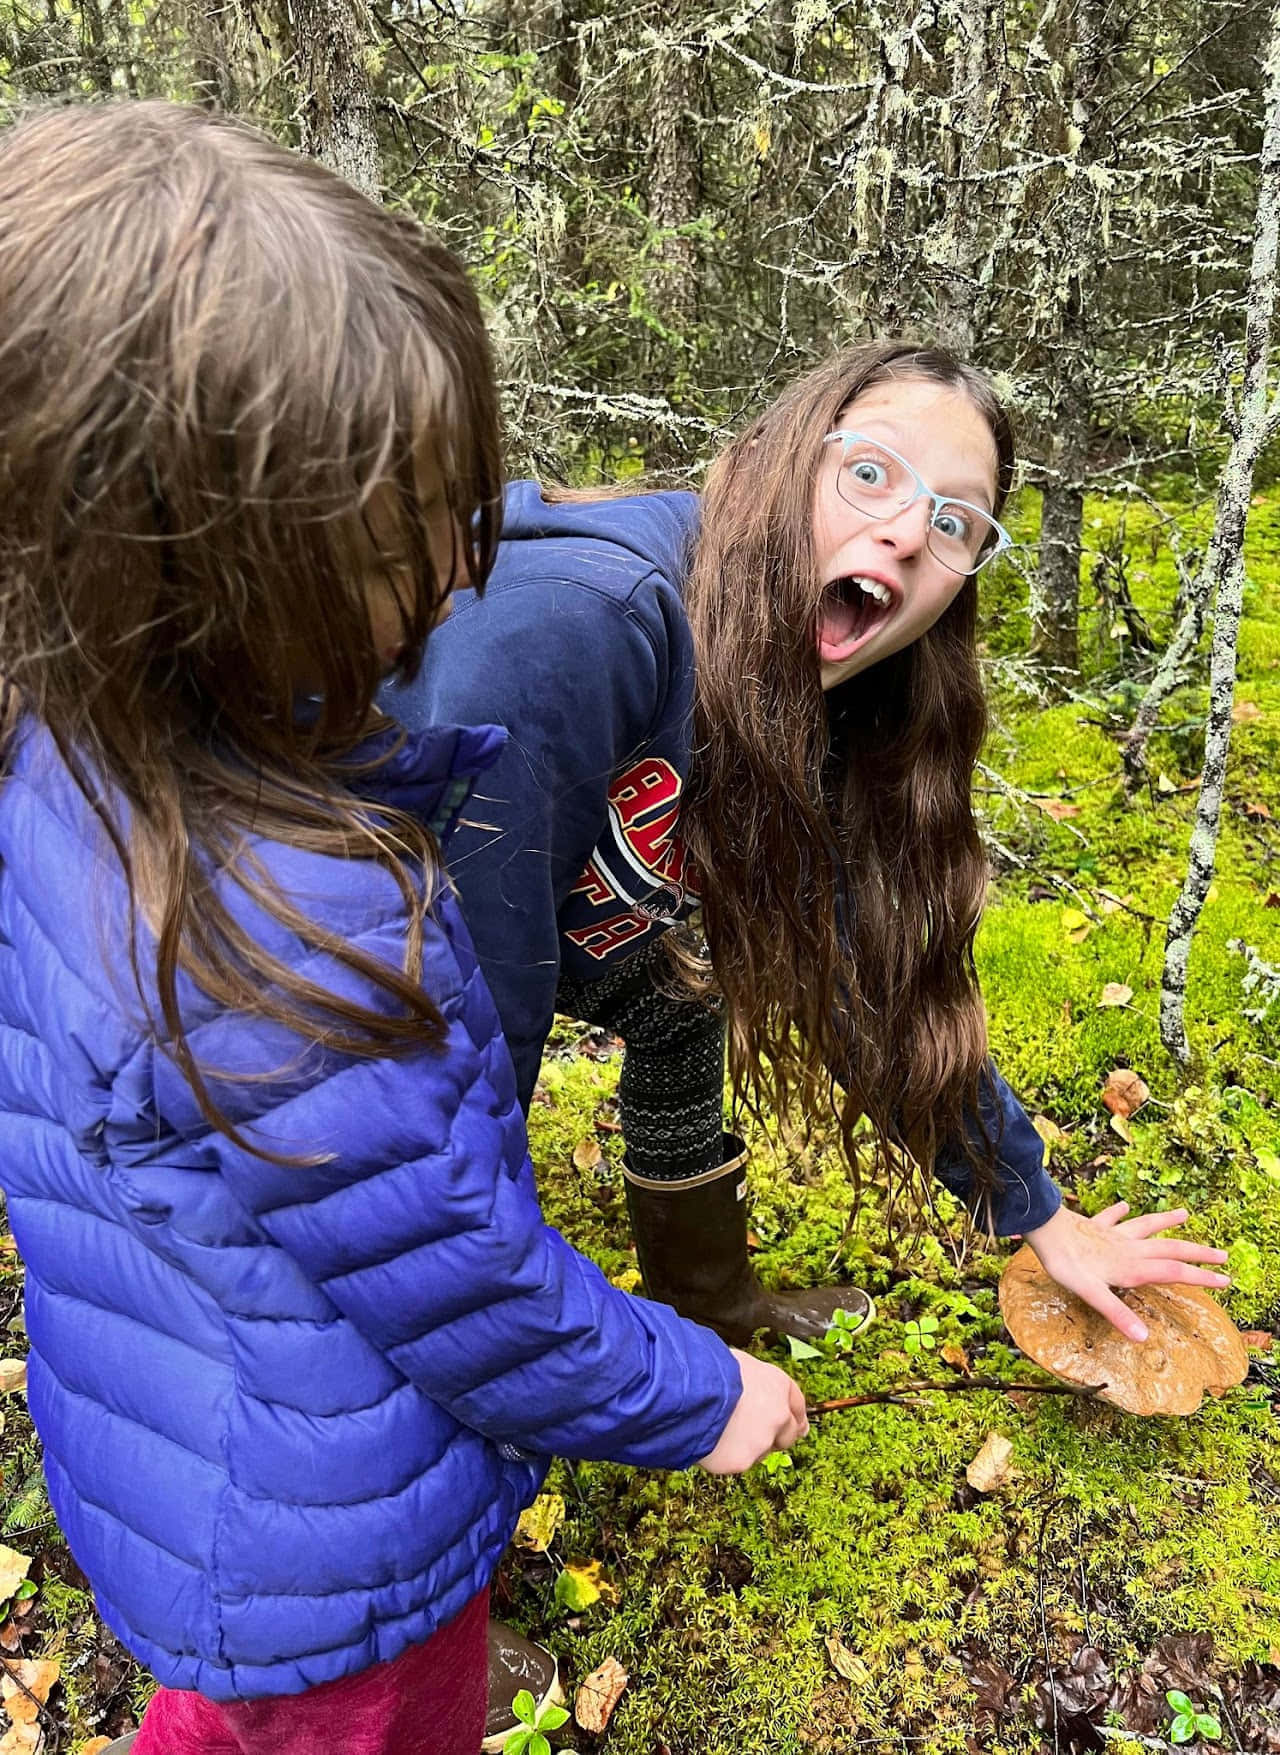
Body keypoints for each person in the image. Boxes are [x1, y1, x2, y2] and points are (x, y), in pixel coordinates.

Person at [0, 101, 808, 1755]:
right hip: (334, 1536)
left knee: (230, 1717)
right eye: (396, 534)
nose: (461, 568)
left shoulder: (63, 744)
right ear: (186, 563)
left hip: (184, 1452)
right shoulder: (289, 921)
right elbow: (467, 1282)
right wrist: (694, 1391)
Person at [383, 342, 1231, 1353]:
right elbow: (450, 1036)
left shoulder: (804, 693)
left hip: (508, 922)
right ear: (773, 461)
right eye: (869, 472)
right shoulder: (579, 625)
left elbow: (862, 970)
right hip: (280, 962)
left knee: (682, 992)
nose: (909, 530)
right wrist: (528, 1348)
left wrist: (1036, 1213)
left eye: (955, 522)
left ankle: (707, 1312)